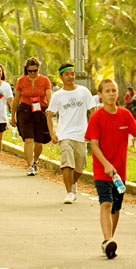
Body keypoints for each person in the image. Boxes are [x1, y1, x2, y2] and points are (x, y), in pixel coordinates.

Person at [85, 78, 136, 259]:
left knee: (116, 207)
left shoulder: (125, 115)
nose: (111, 94)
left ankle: (109, 240)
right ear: (100, 95)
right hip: (103, 171)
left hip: (120, 172)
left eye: (114, 90)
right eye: (107, 91)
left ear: (118, 93)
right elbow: (94, 146)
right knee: (106, 203)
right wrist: (106, 164)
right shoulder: (96, 117)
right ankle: (108, 239)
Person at [46, 64, 96, 204]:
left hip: (82, 135)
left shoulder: (84, 92)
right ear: (61, 77)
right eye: (67, 74)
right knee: (67, 164)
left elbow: (93, 111)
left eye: (72, 74)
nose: (70, 77)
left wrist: (92, 131)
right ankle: (68, 192)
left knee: (79, 168)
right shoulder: (58, 95)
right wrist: (52, 133)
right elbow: (49, 115)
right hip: (65, 135)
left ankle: (73, 183)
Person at [11, 57, 52, 176]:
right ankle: (29, 165)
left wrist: (51, 110)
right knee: (28, 139)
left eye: (35, 71)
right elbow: (16, 99)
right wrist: (13, 116)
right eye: (30, 71)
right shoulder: (21, 81)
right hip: (25, 111)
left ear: (38, 69)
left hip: (40, 110)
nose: (33, 73)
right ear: (27, 70)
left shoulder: (45, 80)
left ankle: (35, 161)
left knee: (39, 141)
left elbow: (49, 97)